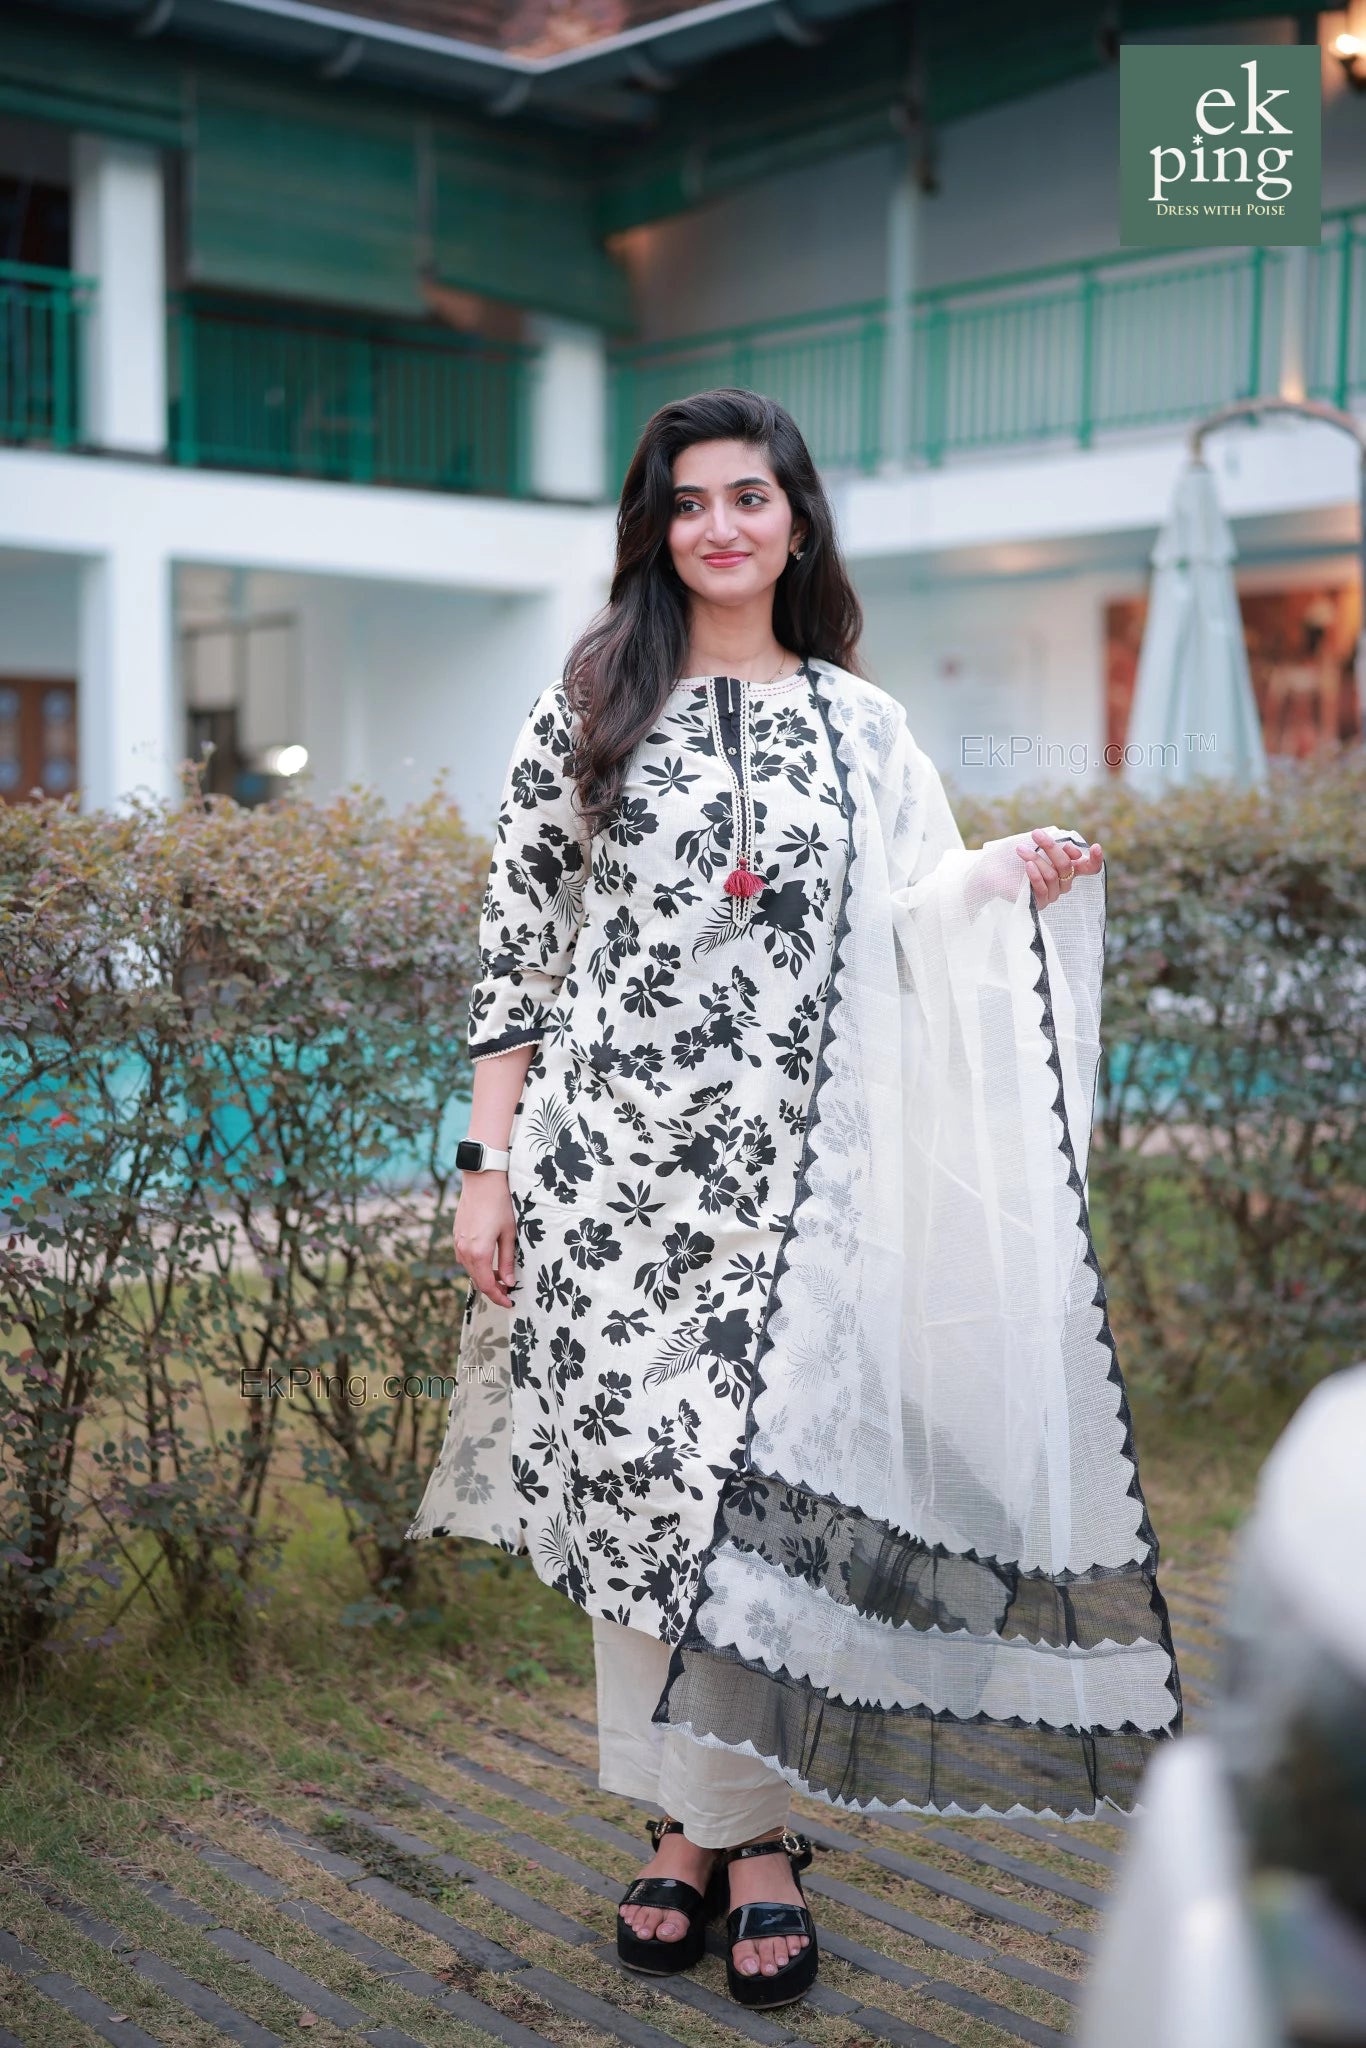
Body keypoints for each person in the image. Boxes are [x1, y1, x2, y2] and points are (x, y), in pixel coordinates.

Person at [408, 388, 1180, 2010]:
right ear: (656, 529)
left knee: (743, 1509)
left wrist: (998, 877)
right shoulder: (589, 699)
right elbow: (518, 939)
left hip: (795, 1193)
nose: (719, 527)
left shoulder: (863, 725)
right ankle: (699, 1828)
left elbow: (906, 920)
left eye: (748, 497)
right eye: (688, 502)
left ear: (796, 520)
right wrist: (486, 1166)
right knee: (643, 1510)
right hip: (611, 1178)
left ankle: (736, 1849)